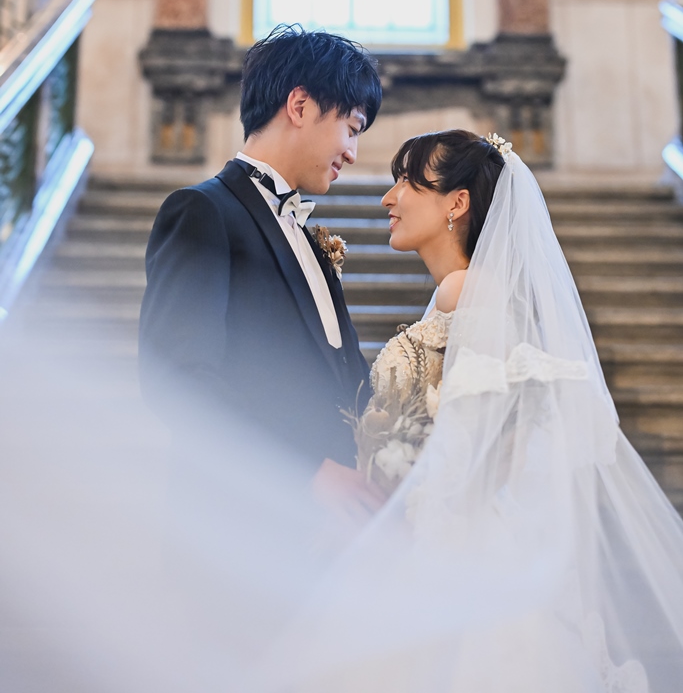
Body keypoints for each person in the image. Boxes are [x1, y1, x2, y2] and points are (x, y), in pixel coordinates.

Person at [260, 129, 683, 693]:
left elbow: (500, 444)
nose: (387, 198)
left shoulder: (468, 291)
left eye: (406, 182)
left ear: (456, 203)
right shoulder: (457, 293)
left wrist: (404, 507)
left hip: (448, 555)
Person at [138, 25, 385, 522]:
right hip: (236, 528)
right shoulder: (202, 211)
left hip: (324, 532)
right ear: (300, 106)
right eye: (352, 128)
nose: (352, 153)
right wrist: (307, 471)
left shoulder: (308, 237)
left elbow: (342, 378)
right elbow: (178, 376)